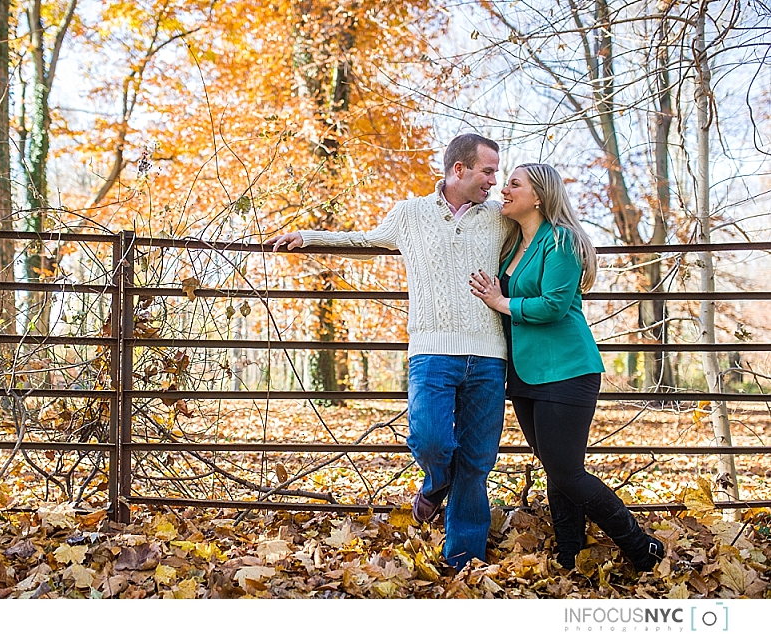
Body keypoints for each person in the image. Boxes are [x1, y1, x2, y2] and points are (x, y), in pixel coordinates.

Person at [266, 133, 508, 571]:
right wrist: (308, 236)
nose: (495, 180)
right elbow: (365, 241)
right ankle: (436, 484)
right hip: (432, 350)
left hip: (490, 353)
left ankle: (463, 559)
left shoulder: (499, 217)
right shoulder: (411, 214)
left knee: (477, 460)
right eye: (488, 171)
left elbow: (541, 226)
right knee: (431, 439)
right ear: (460, 170)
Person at [469, 163, 665, 573]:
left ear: (538, 196)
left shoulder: (562, 240)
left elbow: (554, 305)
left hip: (567, 370)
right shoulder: (512, 244)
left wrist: (500, 302)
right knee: (555, 469)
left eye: (513, 184)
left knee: (566, 471)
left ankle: (640, 548)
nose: (504, 189)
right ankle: (569, 556)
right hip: (525, 373)